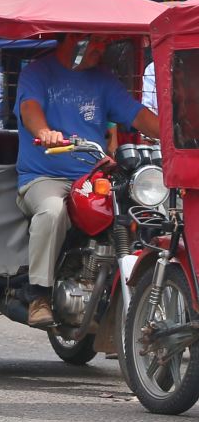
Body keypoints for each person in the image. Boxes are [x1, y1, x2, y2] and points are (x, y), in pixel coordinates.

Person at [16, 33, 160, 328]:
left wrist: (176, 135)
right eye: (94, 41)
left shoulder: (103, 78)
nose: (101, 48)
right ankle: (39, 296)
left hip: (93, 177)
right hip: (44, 177)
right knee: (52, 211)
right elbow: (29, 109)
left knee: (139, 212)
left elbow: (137, 115)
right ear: (73, 40)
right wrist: (44, 132)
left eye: (103, 42)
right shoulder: (37, 72)